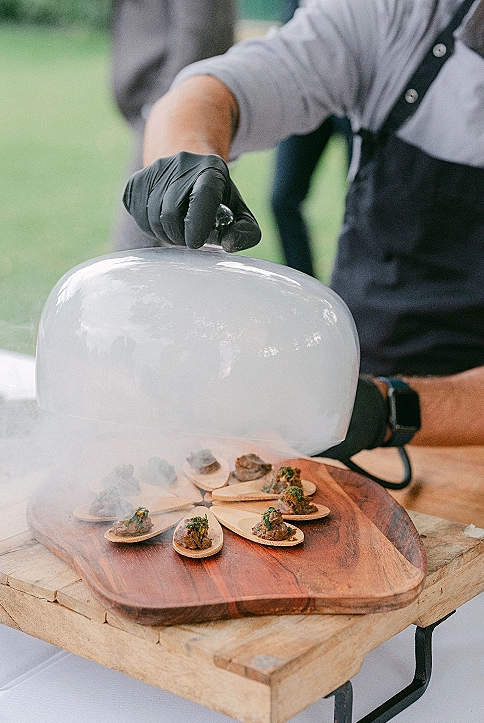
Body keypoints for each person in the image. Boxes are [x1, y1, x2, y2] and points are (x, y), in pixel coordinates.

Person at [122, 0, 484, 462]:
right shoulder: (401, 17)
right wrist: (184, 158)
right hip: (350, 391)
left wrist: (388, 408)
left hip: (434, 425)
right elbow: (209, 93)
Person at [110, 0, 236, 250]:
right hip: (163, 108)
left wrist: (166, 101)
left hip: (172, 112)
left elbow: (198, 29)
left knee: (140, 248)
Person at [270, 0, 352, 275]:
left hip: (357, 90)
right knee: (282, 199)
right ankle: (304, 286)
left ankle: (355, 292)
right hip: (306, 90)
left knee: (360, 205)